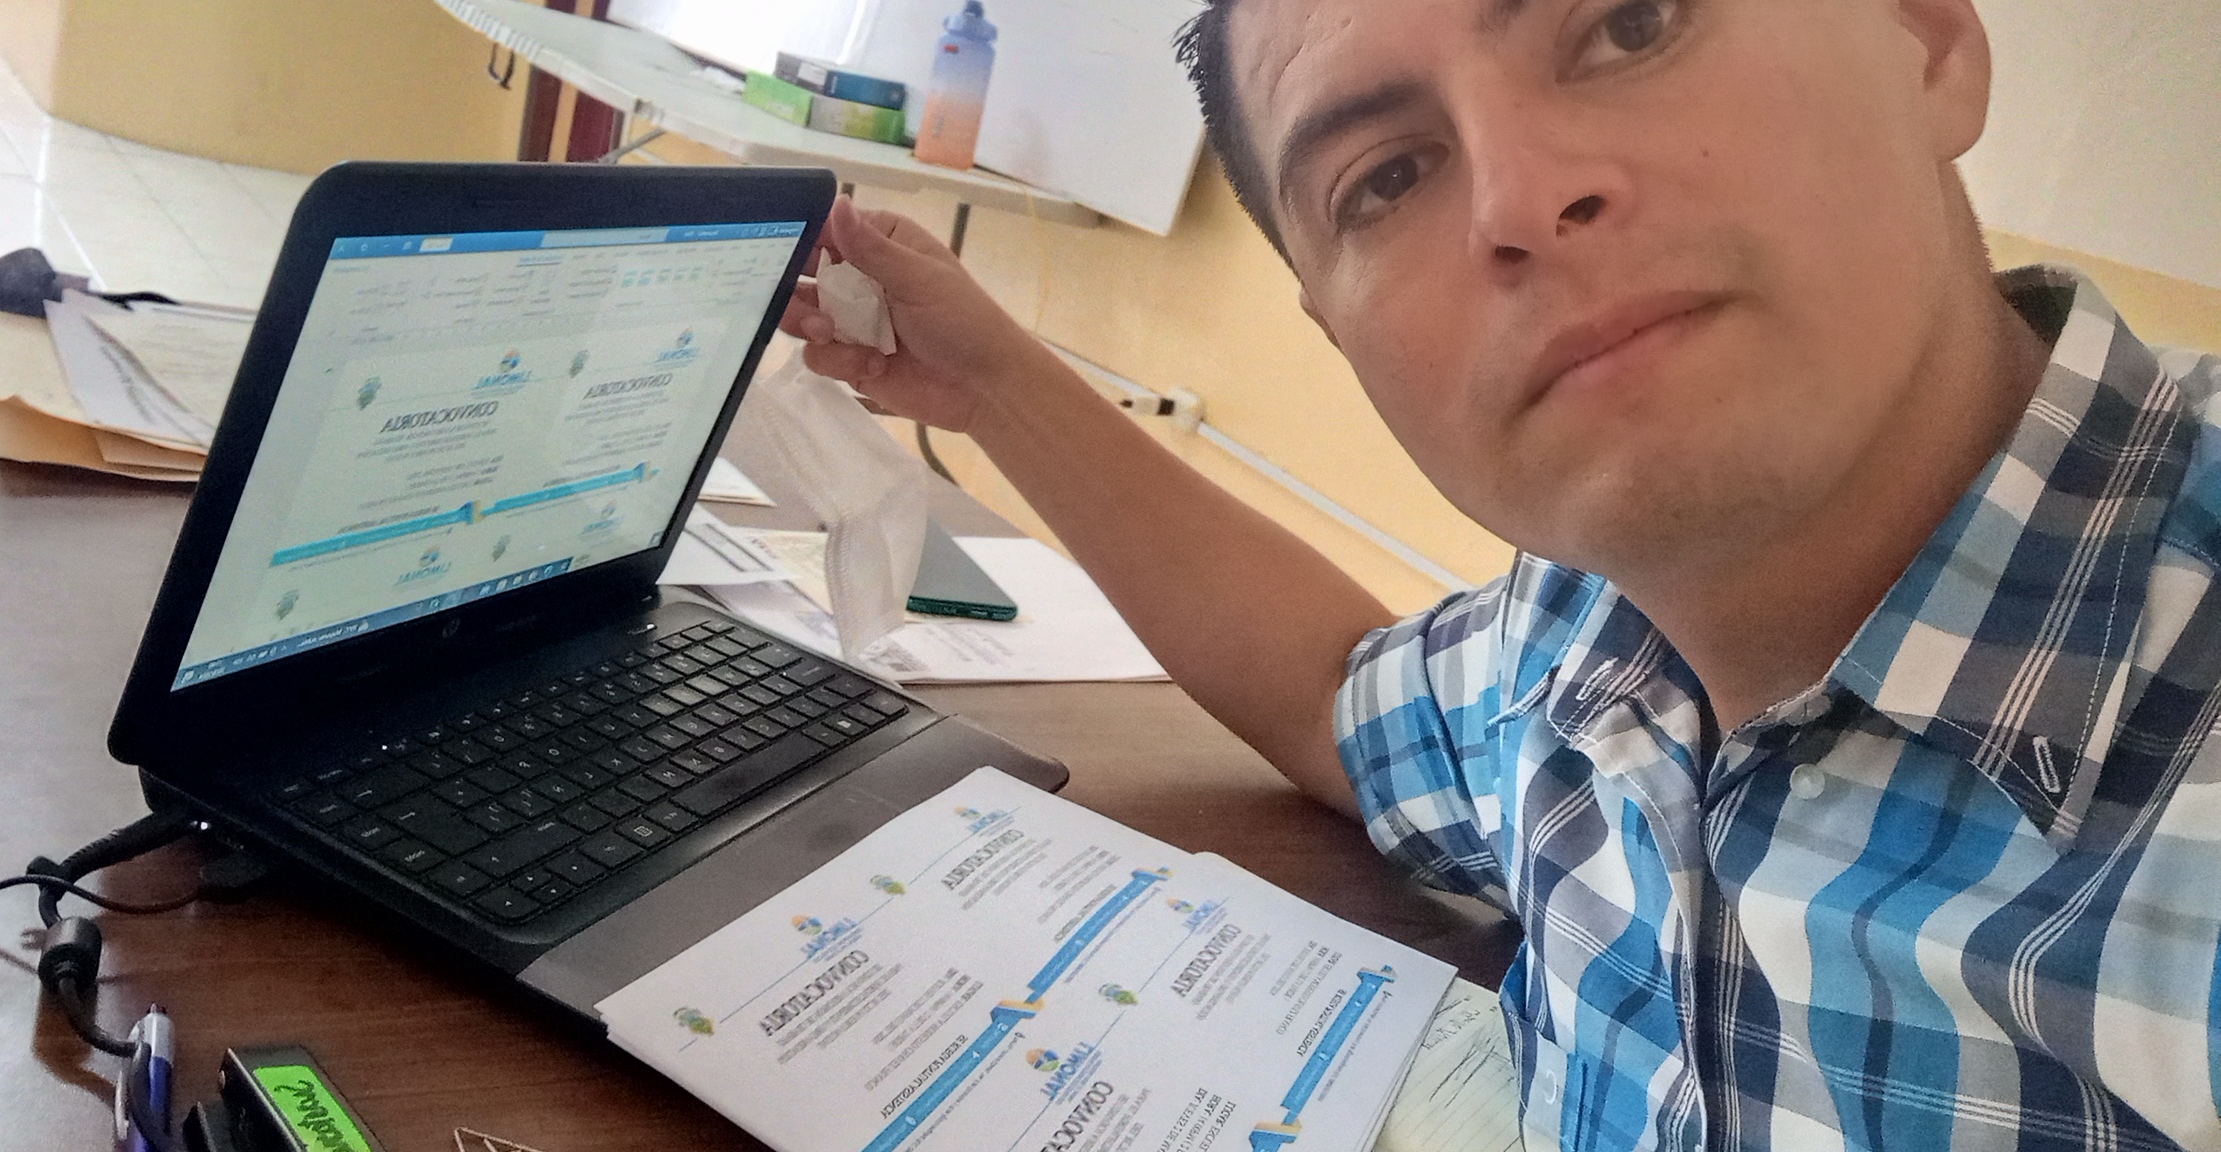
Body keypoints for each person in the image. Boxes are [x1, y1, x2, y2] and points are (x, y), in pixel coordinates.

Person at [777, 0, 2221, 1147]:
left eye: (1632, 24)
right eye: (1387, 178)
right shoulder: (1577, 636)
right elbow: (1332, 696)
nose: (1520, 198)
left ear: (1929, 37)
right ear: (1337, 330)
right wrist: (990, 380)